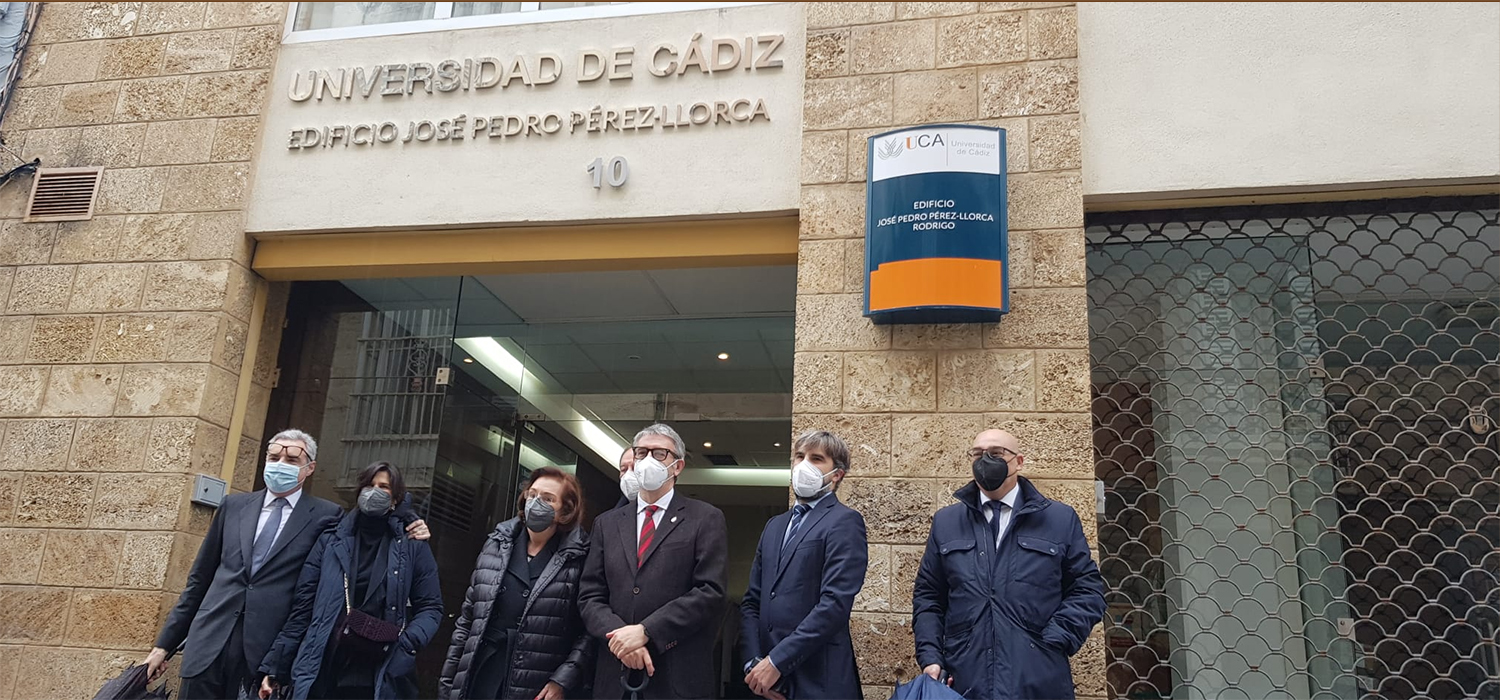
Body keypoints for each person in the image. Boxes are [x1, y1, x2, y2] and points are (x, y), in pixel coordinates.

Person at [912, 429, 1106, 700]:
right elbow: (929, 597)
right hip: (965, 680)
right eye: (978, 454)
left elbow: (1087, 590)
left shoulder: (1059, 519)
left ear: (1018, 461)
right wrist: (931, 657)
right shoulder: (947, 522)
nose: (985, 461)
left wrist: (1054, 641)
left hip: (1037, 681)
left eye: (996, 453)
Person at [258, 462, 444, 699]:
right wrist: (277, 667)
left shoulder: (412, 545)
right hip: (324, 667)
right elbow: (303, 609)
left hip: (379, 671)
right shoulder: (330, 540)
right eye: (369, 485)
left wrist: (406, 644)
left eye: (383, 487)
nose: (373, 491)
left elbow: (431, 607)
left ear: (395, 498)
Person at [578, 424, 728, 699]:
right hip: (614, 676)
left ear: (678, 466)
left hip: (676, 678)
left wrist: (647, 631)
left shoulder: (704, 518)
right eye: (641, 452)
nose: (647, 460)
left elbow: (710, 591)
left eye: (659, 454)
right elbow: (590, 595)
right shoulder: (606, 523)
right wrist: (621, 637)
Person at [438, 466, 596, 700]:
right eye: (532, 495)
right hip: (483, 666)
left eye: (548, 499)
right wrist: (450, 678)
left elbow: (588, 631)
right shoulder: (497, 543)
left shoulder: (580, 557)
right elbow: (469, 618)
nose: (536, 503)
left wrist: (562, 681)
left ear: (565, 511)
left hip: (537, 679)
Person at [740, 430, 868, 700]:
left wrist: (777, 662)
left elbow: (834, 605)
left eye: (817, 458)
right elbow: (752, 601)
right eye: (799, 456)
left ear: (837, 474)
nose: (804, 464)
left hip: (818, 681)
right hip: (765, 683)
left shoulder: (845, 522)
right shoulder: (774, 526)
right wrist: (754, 664)